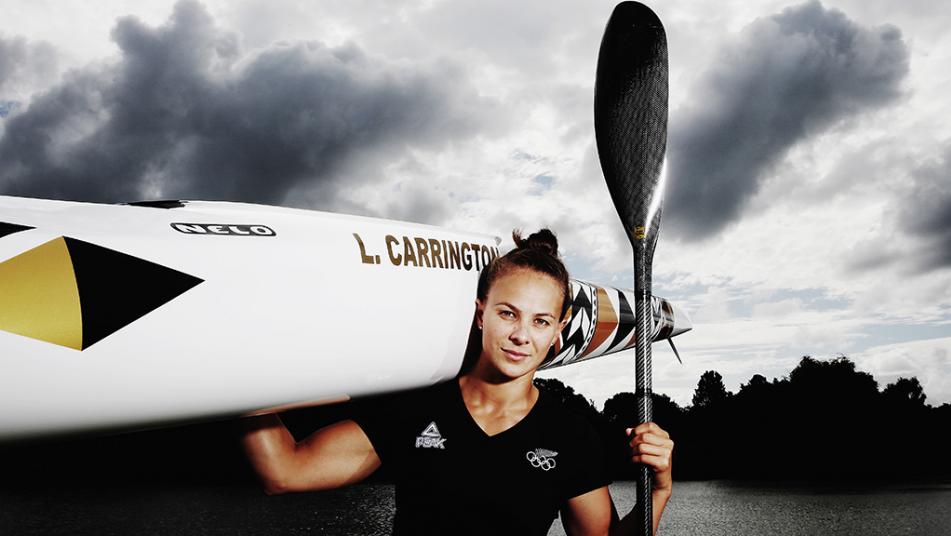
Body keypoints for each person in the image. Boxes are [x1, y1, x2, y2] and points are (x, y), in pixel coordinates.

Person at [241, 229, 673, 535]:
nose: (522, 335)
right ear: (481, 312)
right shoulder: (414, 406)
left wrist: (659, 489)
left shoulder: (571, 434)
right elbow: (285, 470)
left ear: (558, 331)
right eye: (508, 313)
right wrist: (236, 367)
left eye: (540, 321)